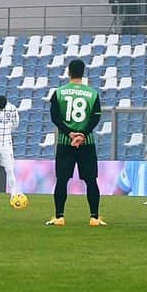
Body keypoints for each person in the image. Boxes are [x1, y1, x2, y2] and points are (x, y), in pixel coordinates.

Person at [47, 59, 105, 227]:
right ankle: (94, 217)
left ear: (69, 72)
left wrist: (70, 134)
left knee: (62, 180)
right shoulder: (92, 93)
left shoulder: (59, 92)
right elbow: (96, 117)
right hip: (87, 143)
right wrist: (82, 135)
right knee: (91, 180)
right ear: (83, 72)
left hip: (66, 142)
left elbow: (55, 117)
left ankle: (59, 217)